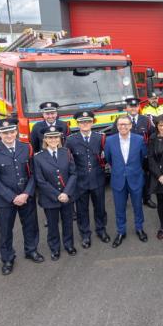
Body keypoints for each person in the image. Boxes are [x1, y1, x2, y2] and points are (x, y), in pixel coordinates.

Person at [0, 118, 43, 274]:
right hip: (5, 199)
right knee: (6, 230)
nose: (9, 135)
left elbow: (33, 173)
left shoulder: (26, 147)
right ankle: (8, 258)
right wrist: (12, 197)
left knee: (31, 225)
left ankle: (31, 250)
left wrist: (26, 193)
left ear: (16, 132)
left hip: (26, 196)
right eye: (5, 133)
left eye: (11, 132)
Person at [34, 126, 78, 260]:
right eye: (50, 137)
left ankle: (69, 244)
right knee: (52, 225)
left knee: (68, 222)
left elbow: (73, 174)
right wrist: (57, 195)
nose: (53, 140)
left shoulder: (66, 152)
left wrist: (66, 193)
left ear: (60, 138)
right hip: (50, 198)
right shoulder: (38, 157)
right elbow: (40, 181)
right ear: (45, 140)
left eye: (56, 137)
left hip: (67, 196)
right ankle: (54, 248)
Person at [66, 111, 109, 248]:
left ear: (92, 122)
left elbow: (106, 156)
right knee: (82, 210)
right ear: (77, 124)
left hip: (97, 178)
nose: (85, 124)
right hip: (80, 181)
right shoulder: (71, 140)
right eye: (82, 122)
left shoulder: (100, 138)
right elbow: (68, 162)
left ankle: (101, 230)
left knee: (100, 207)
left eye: (88, 121)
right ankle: (85, 234)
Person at [104, 115, 148, 247]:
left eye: (125, 124)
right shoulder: (110, 141)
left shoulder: (139, 140)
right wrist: (119, 169)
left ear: (130, 126)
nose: (123, 127)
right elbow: (109, 159)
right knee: (119, 208)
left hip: (135, 178)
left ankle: (139, 228)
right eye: (120, 124)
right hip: (118, 179)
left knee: (138, 206)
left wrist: (132, 170)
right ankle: (121, 232)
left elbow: (142, 158)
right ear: (117, 126)